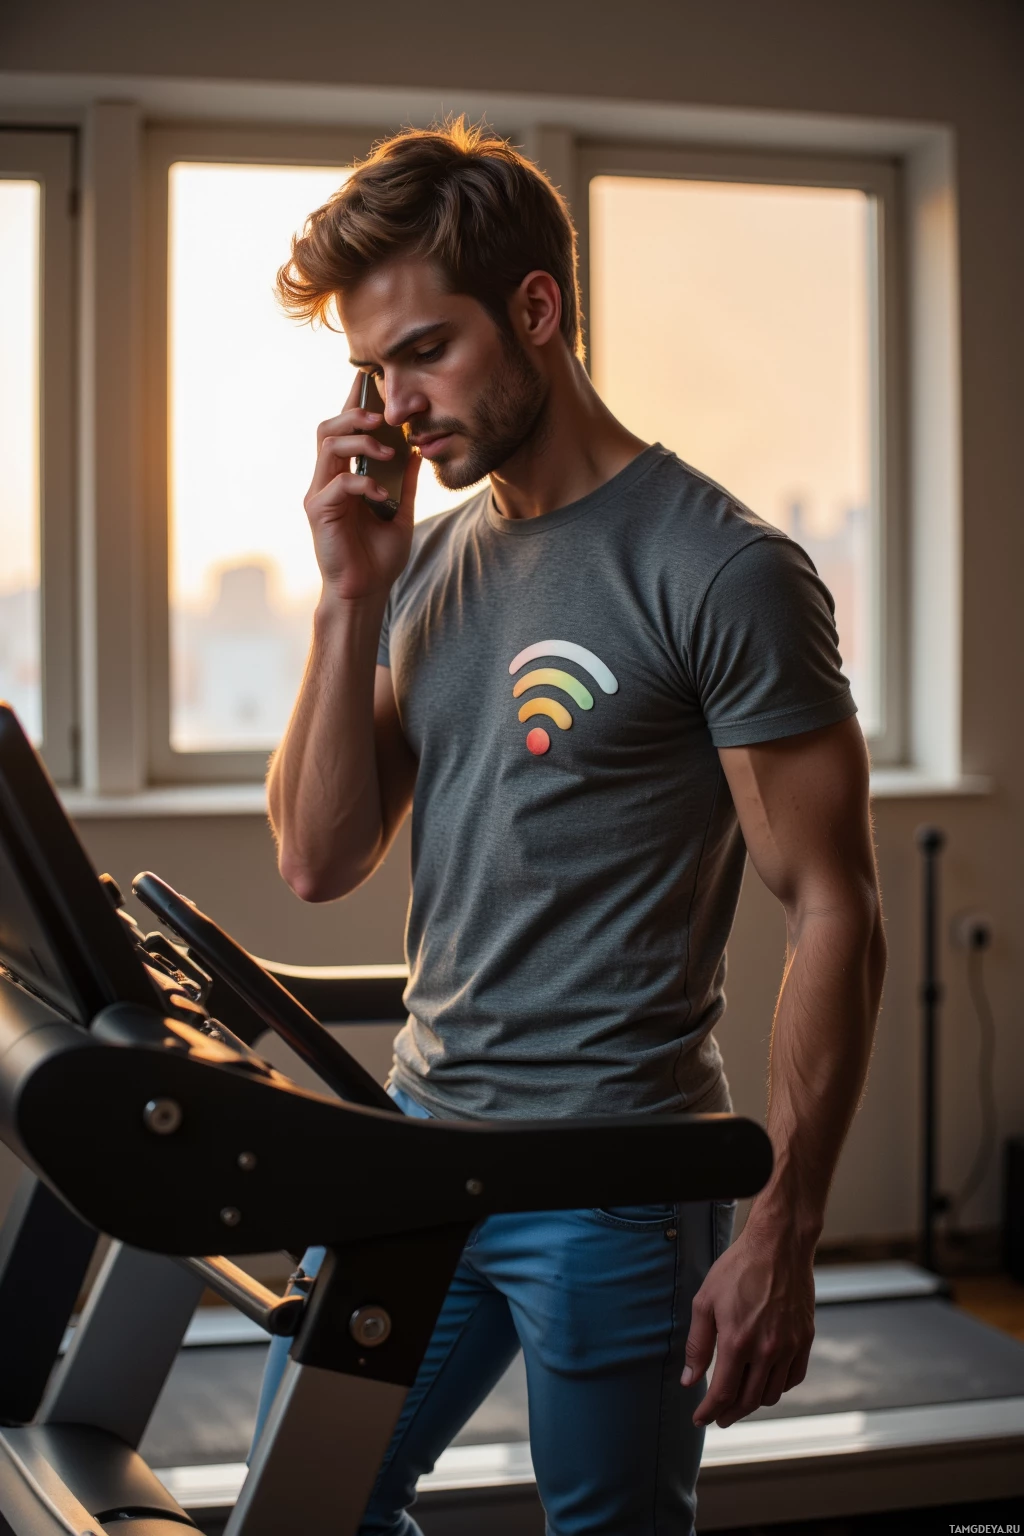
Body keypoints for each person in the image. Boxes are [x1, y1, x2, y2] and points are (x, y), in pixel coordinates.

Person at [256, 119, 887, 1535]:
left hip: (615, 1179)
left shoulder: (720, 568)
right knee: (308, 1506)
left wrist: (784, 1231)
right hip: (424, 1144)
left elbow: (833, 902)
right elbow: (316, 858)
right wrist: (349, 593)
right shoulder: (424, 567)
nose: (396, 407)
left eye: (426, 351)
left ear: (536, 309)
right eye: (371, 370)